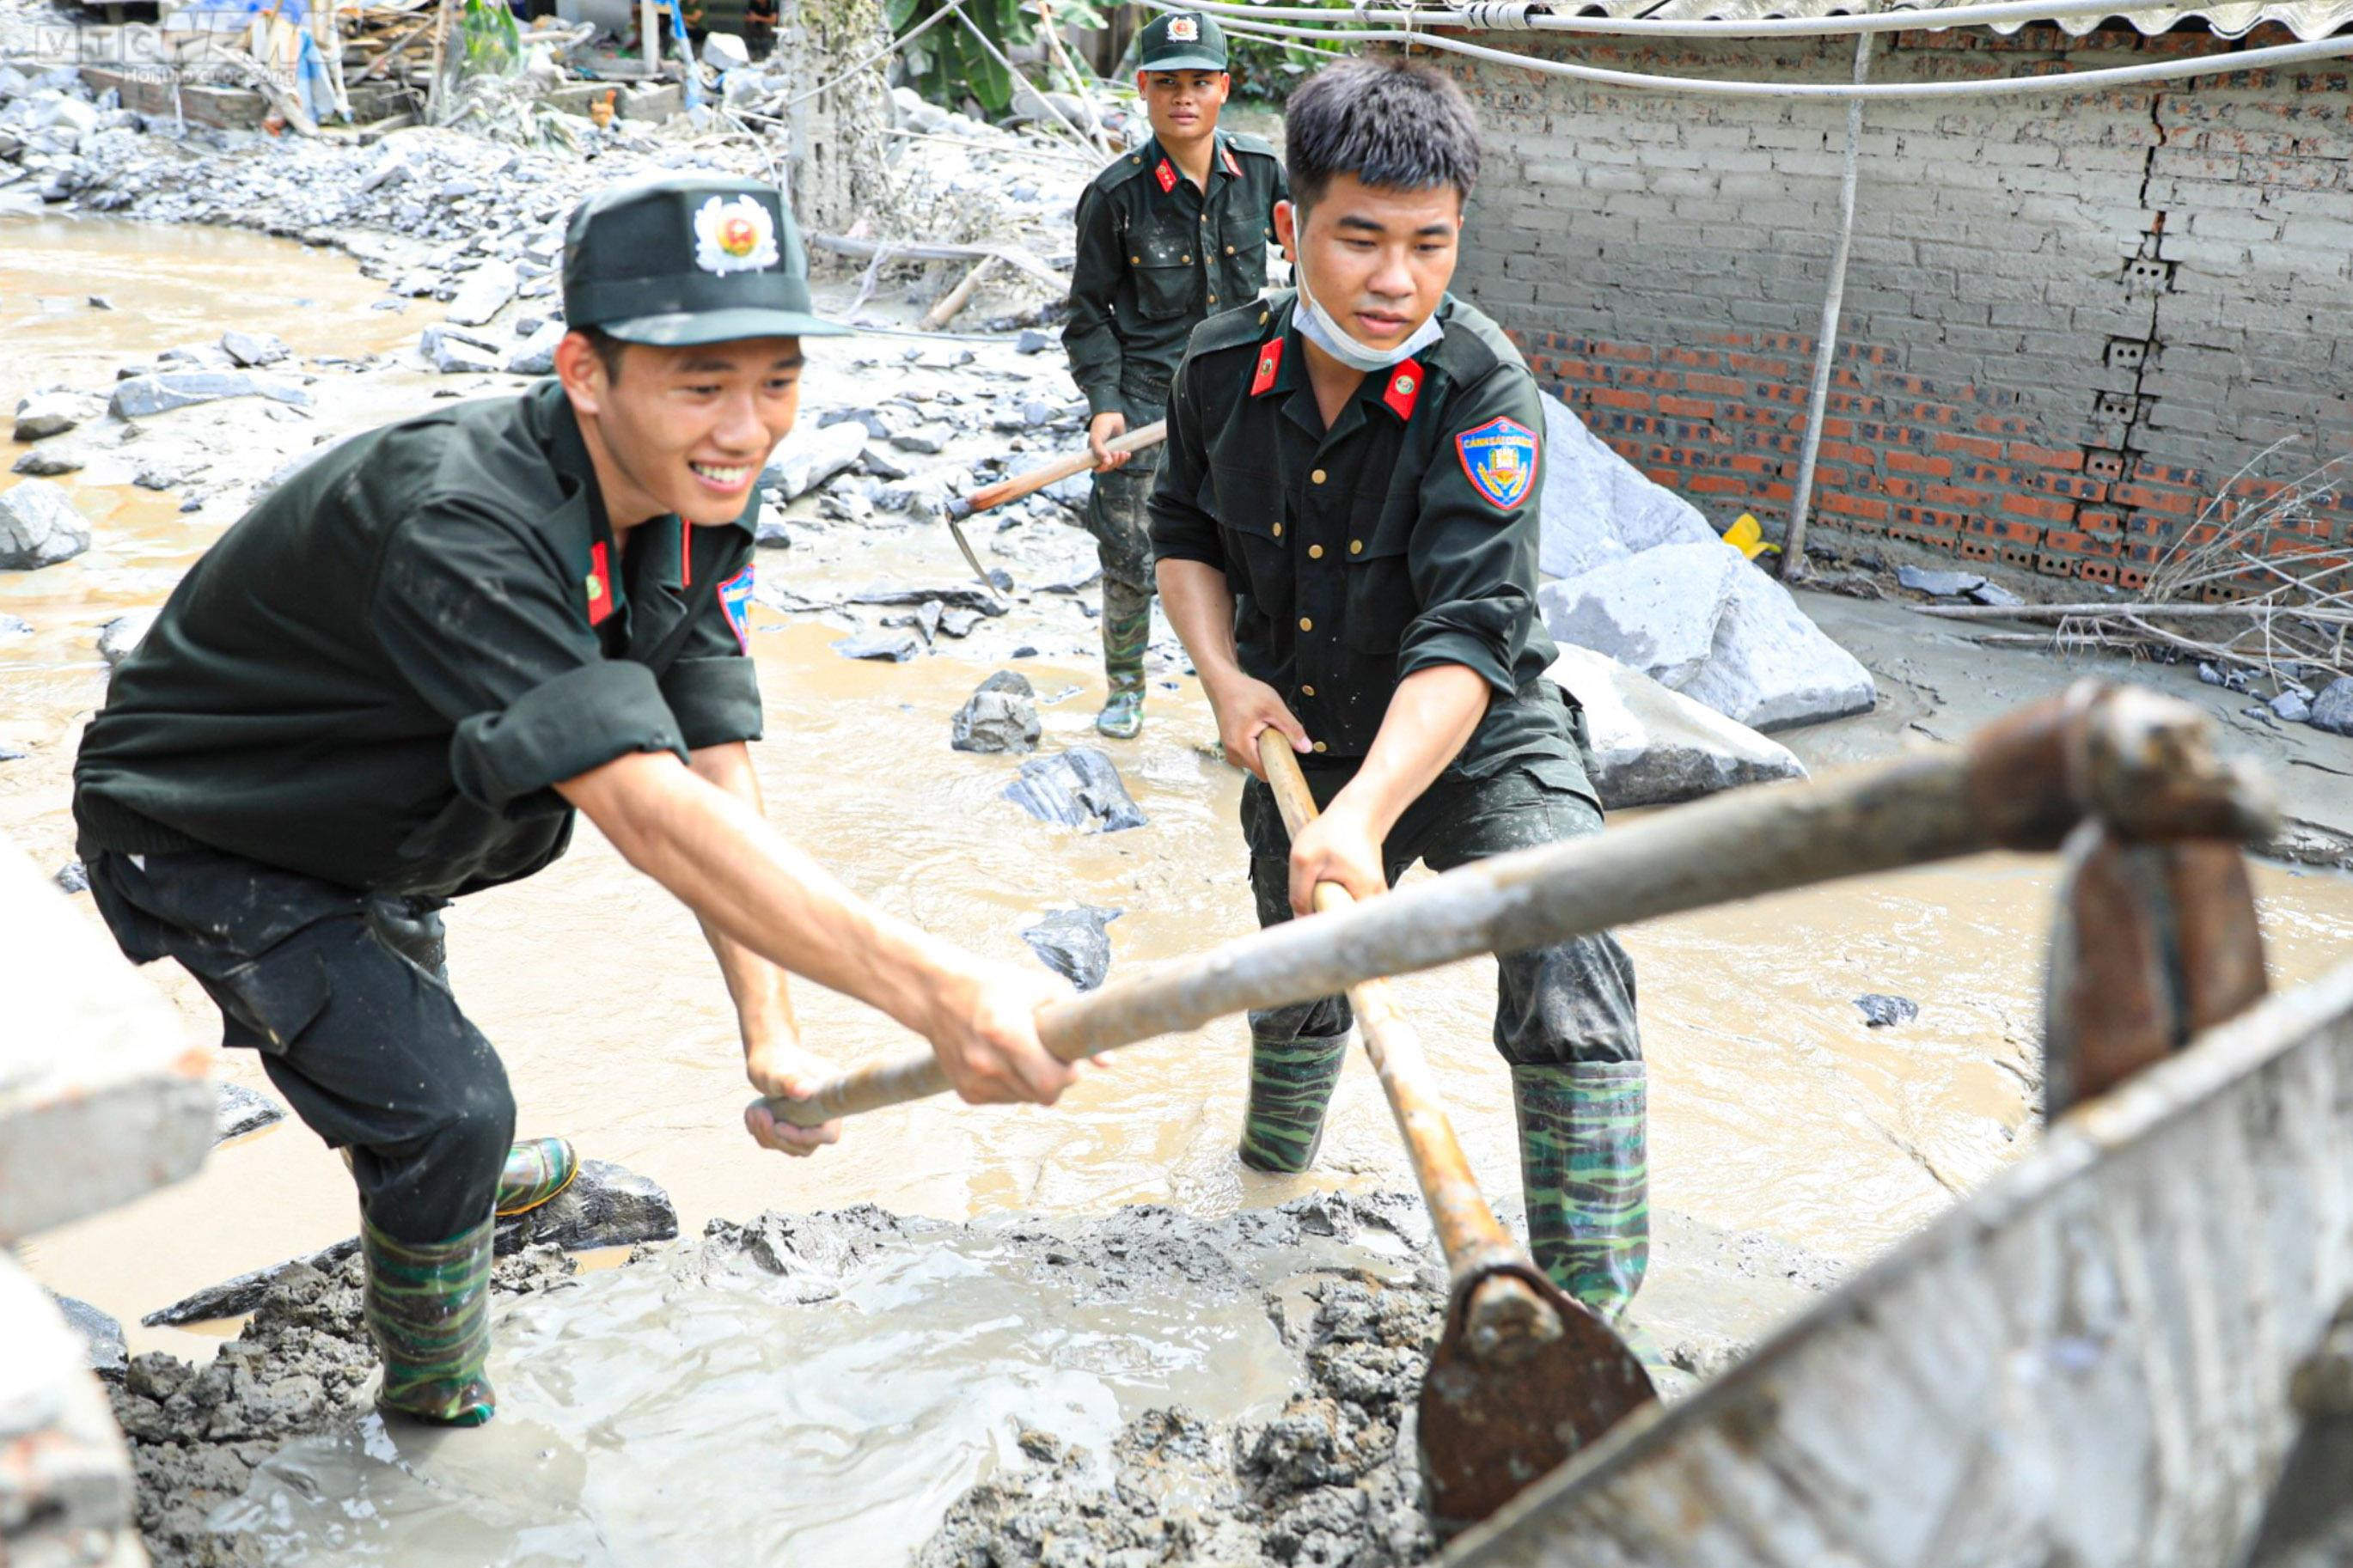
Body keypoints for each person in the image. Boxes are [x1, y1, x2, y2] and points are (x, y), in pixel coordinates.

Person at [71, 175, 1077, 1427]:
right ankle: (435, 1404)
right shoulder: (465, 518)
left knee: (410, 1086)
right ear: (586, 372)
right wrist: (940, 993)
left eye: (777, 379)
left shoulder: (694, 485)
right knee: (451, 1109)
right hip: (214, 832)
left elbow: (712, 756)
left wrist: (770, 1031)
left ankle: (450, 1185)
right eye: (701, 384)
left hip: (392, 822)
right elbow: (645, 814)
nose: (749, 428)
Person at [1147, 61, 1647, 1323]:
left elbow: (1473, 627)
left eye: (1429, 245)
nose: (1394, 281)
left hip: (1474, 727)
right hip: (1299, 734)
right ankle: (1264, 1199)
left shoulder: (1483, 391)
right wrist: (1224, 680)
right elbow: (1184, 532)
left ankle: (1591, 1320)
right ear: (1289, 227)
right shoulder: (1216, 371)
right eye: (1359, 238)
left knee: (1569, 930)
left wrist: (1363, 815)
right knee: (1298, 990)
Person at [1062, 9, 1285, 740]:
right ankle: (1126, 687)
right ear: (1144, 91)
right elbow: (1087, 316)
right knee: (1129, 553)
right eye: (1167, 83)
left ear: (1224, 87)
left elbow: (1309, 269)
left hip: (1247, 405)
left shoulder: (1262, 175)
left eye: (1198, 82)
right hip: (1144, 405)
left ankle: (1243, 700)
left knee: (1251, 554)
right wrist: (1103, 406)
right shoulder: (1116, 197)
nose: (1183, 97)